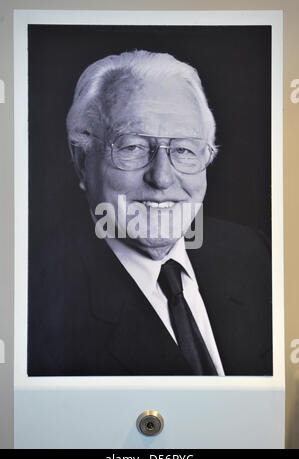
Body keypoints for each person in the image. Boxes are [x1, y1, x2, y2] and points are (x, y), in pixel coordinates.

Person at [28, 50, 272, 376]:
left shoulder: (254, 255)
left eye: (184, 149)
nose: (161, 178)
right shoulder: (40, 310)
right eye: (132, 147)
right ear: (83, 162)